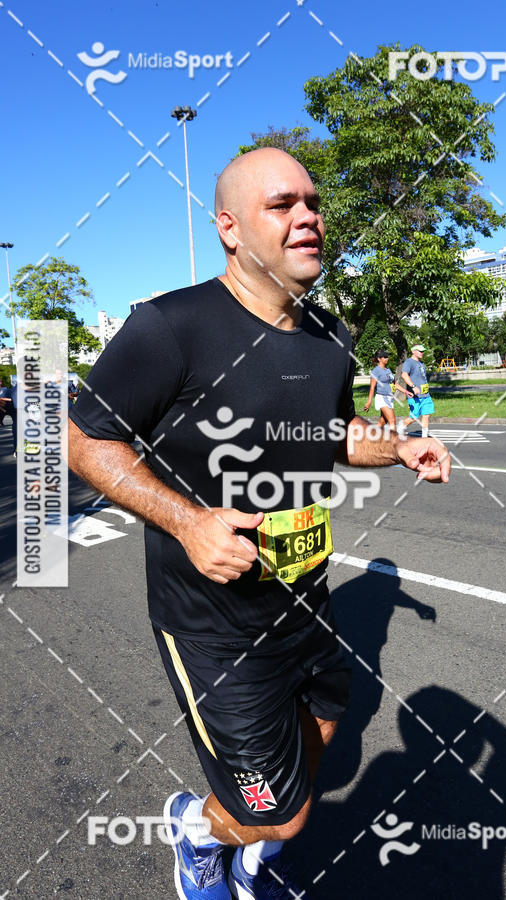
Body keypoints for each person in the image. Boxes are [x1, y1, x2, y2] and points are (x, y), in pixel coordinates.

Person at [67, 148, 450, 900]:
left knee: (328, 731)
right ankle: (197, 831)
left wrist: (398, 446)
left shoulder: (330, 337)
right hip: (214, 627)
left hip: (308, 602)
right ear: (231, 229)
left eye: (312, 201)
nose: (308, 215)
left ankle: (247, 834)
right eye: (283, 204)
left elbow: (333, 434)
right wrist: (187, 522)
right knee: (283, 817)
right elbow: (84, 439)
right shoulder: (168, 327)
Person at [363, 350, 407, 431]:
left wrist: (406, 391)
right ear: (379, 359)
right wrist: (369, 402)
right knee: (392, 421)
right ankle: (394, 442)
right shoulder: (376, 371)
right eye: (385, 357)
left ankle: (369, 436)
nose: (387, 358)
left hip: (389, 398)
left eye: (387, 356)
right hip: (382, 398)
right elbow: (372, 387)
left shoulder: (388, 370)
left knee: (383, 422)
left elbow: (395, 384)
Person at [401, 343, 435, 438]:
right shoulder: (409, 362)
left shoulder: (421, 363)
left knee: (426, 415)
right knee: (414, 417)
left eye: (423, 351)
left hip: (425, 395)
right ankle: (401, 427)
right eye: (420, 351)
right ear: (413, 351)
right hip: (415, 396)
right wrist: (413, 386)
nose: (422, 353)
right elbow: (404, 375)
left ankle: (424, 437)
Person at [0, 376, 17, 456]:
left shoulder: (6, 389)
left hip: (10, 408)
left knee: (16, 427)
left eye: (0, 381)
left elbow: (11, 399)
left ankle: (17, 449)